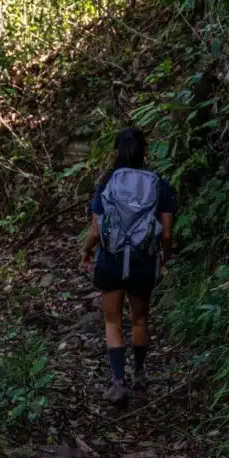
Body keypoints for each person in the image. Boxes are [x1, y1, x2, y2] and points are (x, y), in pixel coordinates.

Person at [81, 127, 176, 406]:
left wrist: (86, 252)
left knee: (113, 321)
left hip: (110, 260)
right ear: (145, 151)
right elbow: (167, 235)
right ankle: (140, 373)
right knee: (140, 319)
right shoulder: (160, 184)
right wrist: (164, 258)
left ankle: (118, 381)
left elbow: (96, 232)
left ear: (116, 152)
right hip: (142, 261)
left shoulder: (106, 183)